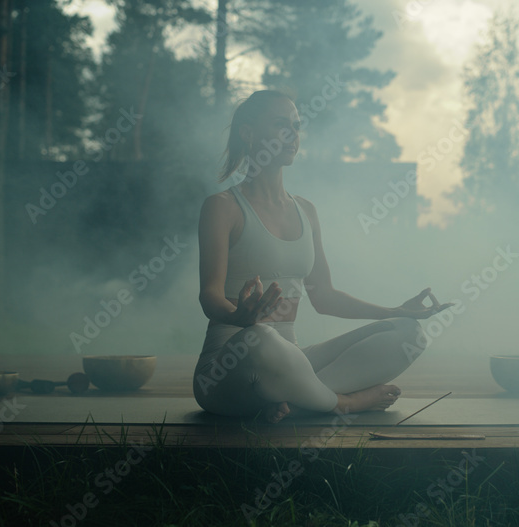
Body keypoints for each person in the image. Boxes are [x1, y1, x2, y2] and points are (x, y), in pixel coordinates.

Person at [194, 89, 453, 423]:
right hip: (231, 368)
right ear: (248, 133)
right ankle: (344, 403)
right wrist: (240, 317)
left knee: (407, 334)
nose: (292, 135)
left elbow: (325, 297)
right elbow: (209, 295)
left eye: (296, 125)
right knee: (261, 337)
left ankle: (298, 402)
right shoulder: (222, 207)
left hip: (293, 361)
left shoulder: (306, 211)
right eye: (279, 124)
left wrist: (396, 310)